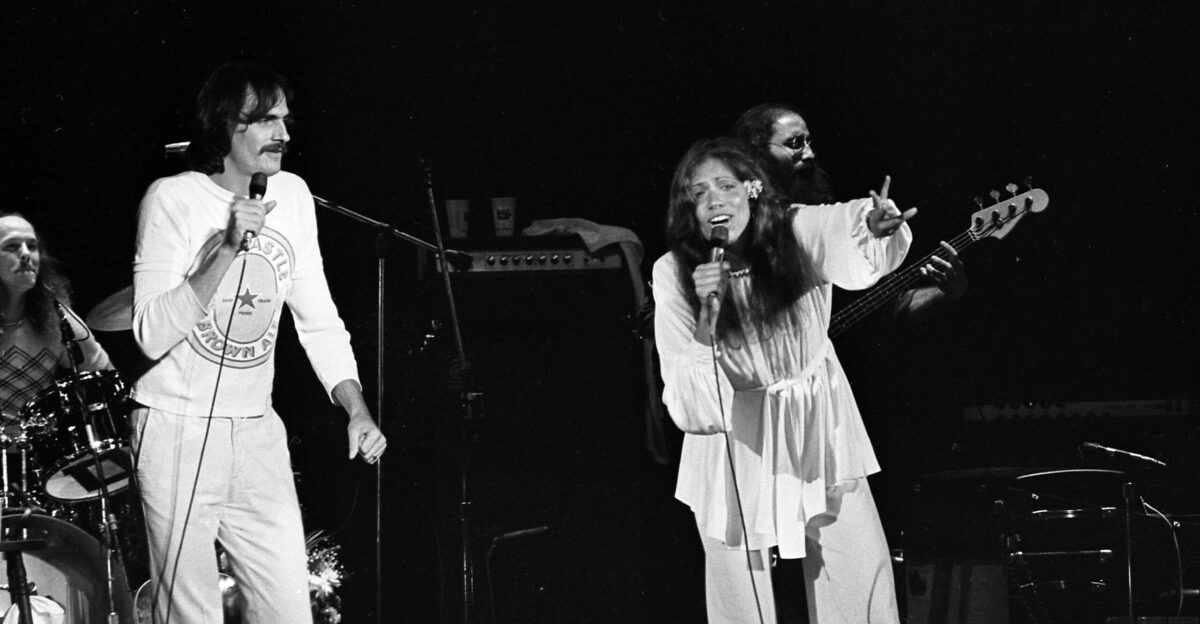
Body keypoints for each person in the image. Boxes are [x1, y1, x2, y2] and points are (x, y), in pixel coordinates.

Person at [130, 62, 387, 624]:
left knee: (288, 611)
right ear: (225, 127)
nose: (285, 134)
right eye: (266, 120)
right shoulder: (171, 199)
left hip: (256, 429)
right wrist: (225, 248)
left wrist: (356, 409)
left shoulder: (292, 195)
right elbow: (149, 333)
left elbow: (317, 316)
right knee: (191, 614)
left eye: (286, 120)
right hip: (176, 426)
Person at [653, 137, 912, 622]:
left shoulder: (795, 229)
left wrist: (872, 229)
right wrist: (709, 312)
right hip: (733, 427)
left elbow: (841, 233)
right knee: (738, 580)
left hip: (816, 417)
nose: (713, 202)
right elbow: (691, 404)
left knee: (856, 562)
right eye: (698, 193)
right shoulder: (674, 271)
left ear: (753, 188)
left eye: (725, 186)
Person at [734, 103, 966, 322]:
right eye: (795, 143)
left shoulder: (819, 205)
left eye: (808, 142)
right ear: (757, 152)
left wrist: (867, 227)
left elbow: (894, 304)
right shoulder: (736, 215)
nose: (810, 154)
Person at [0, 211, 112, 426]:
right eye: (11, 246)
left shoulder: (57, 318)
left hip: (35, 452)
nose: (26, 254)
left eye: (32, 246)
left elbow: (104, 376)